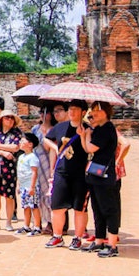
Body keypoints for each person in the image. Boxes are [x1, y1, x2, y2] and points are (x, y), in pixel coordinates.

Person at [44, 99, 91, 249]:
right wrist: (56, 147)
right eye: (70, 109)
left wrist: (83, 136)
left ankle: (77, 237)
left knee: (80, 208)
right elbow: (46, 138)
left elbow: (89, 150)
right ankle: (57, 235)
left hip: (80, 173)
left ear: (83, 112)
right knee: (57, 206)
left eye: (76, 109)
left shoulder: (88, 129)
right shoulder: (60, 127)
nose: (72, 112)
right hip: (62, 172)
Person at [80, 101, 120, 257]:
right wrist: (85, 135)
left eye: (97, 111)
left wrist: (87, 135)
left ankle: (112, 244)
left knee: (109, 209)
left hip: (104, 175)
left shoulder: (107, 129)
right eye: (93, 111)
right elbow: (86, 149)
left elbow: (91, 148)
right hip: (95, 174)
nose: (93, 114)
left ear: (106, 112)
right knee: (97, 209)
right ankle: (99, 240)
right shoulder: (98, 129)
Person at [32, 102, 66, 234]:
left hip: (48, 162)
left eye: (45, 112)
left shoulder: (54, 129)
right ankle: (38, 221)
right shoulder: (35, 129)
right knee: (37, 192)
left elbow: (52, 149)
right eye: (41, 112)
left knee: (49, 193)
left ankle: (52, 223)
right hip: (36, 162)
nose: (43, 115)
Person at [15, 132, 42, 235]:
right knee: (26, 206)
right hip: (23, 186)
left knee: (34, 206)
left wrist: (32, 187)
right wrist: (18, 185)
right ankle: (26, 226)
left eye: (23, 141)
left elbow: (34, 172)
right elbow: (19, 172)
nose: (20, 142)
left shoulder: (33, 157)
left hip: (31, 186)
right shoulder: (21, 157)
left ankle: (37, 227)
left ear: (30, 144)